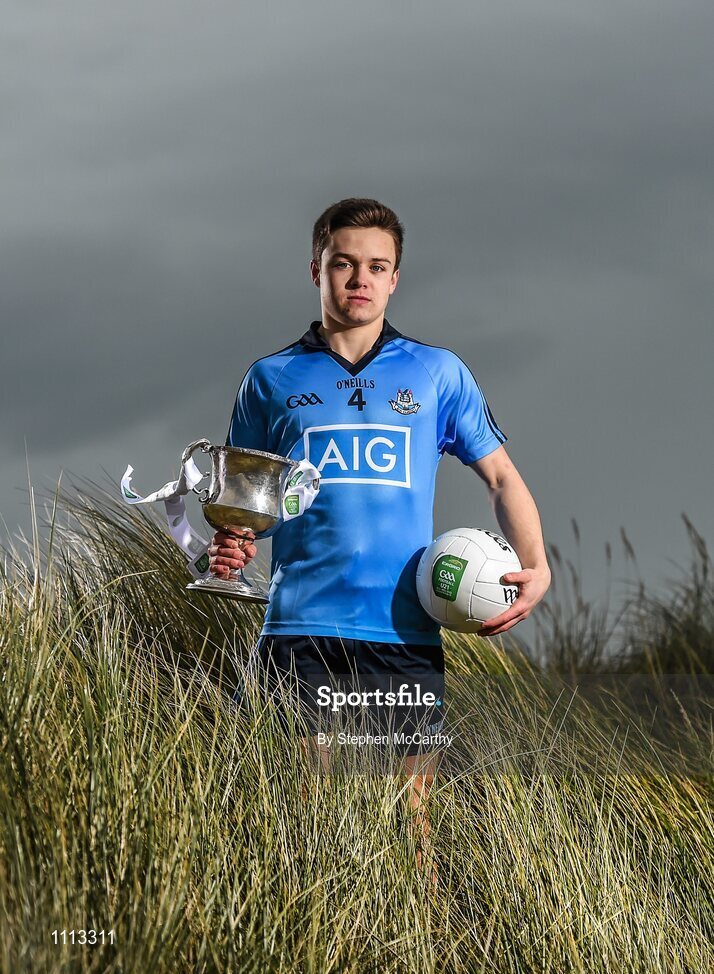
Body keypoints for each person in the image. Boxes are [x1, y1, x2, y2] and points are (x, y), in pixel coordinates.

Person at [209, 198, 551, 877]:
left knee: (410, 825)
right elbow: (244, 509)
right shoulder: (270, 380)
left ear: (395, 278)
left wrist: (536, 566)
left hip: (402, 633)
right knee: (308, 819)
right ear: (317, 269)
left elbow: (503, 478)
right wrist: (234, 545)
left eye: (376, 266)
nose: (359, 279)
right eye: (343, 264)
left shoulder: (436, 373)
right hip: (300, 630)